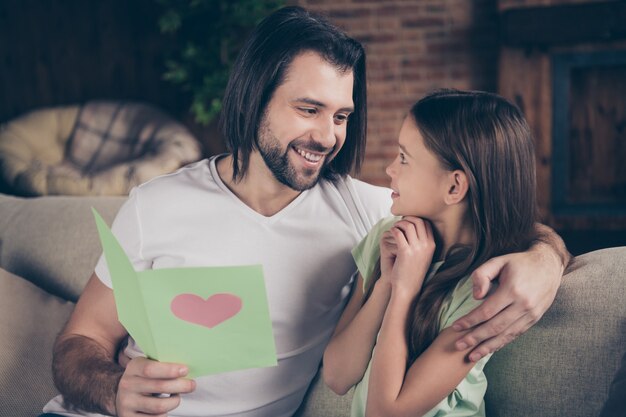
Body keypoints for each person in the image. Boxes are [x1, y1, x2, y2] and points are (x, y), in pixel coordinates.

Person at [41, 7, 568, 417]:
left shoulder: (365, 209)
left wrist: (545, 259)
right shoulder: (155, 203)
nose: (328, 136)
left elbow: (483, 209)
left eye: (341, 115)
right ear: (254, 98)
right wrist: (113, 390)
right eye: (308, 109)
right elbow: (78, 342)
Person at [323, 89, 556, 416]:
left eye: (404, 158)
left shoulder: (483, 288)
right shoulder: (386, 238)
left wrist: (404, 291)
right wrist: (386, 283)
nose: (391, 169)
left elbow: (385, 412)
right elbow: (336, 375)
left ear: (454, 187)